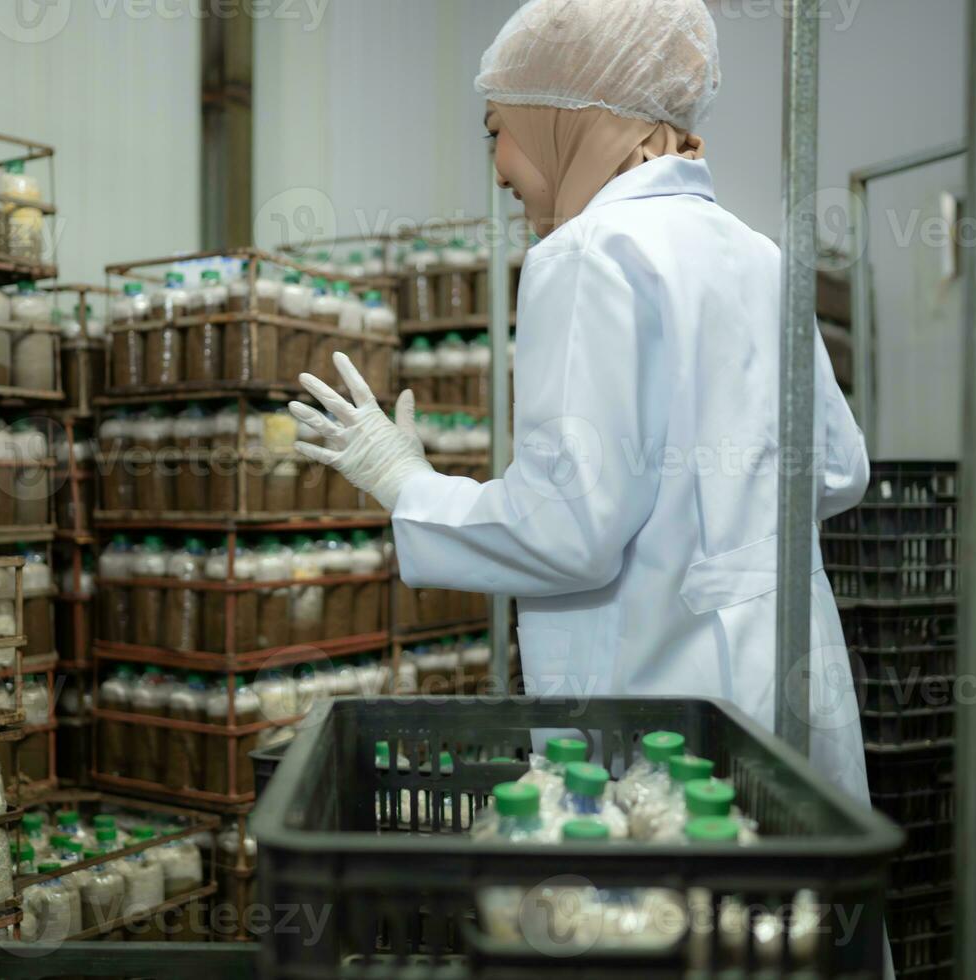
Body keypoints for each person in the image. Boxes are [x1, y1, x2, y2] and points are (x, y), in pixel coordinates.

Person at [290, 0, 872, 808]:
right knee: (792, 917)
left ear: (569, 120)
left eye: (499, 128)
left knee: (661, 917)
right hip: (793, 690)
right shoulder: (759, 253)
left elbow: (567, 532)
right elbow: (840, 471)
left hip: (667, 712)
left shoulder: (589, 253)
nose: (497, 167)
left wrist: (403, 481)